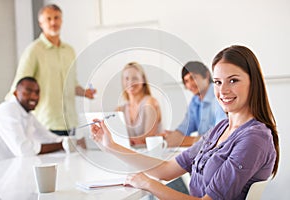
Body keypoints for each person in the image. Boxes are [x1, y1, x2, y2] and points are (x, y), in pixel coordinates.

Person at [90, 45, 280, 199]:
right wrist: (111, 146)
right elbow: (166, 170)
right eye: (219, 82)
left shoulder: (254, 139)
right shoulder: (220, 129)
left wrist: (147, 184)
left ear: (253, 82)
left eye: (233, 80)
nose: (223, 91)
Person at [6, 4, 96, 136]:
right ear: (41, 23)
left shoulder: (69, 51)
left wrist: (84, 92)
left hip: (70, 123)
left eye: (56, 18)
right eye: (48, 19)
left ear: (61, 20)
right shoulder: (33, 50)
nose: (53, 22)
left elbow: (72, 84)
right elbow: (20, 85)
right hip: (45, 124)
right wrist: (10, 116)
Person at [0, 77, 77, 162]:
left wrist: (72, 141)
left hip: (11, 168)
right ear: (16, 93)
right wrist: (61, 145)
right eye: (28, 91)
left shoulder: (28, 115)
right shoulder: (7, 109)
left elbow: (48, 136)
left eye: (37, 92)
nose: (34, 96)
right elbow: (24, 150)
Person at [162, 61, 226, 147]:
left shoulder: (219, 97)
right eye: (186, 81)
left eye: (193, 78)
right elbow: (184, 128)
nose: (190, 84)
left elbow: (221, 135)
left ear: (206, 75)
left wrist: (183, 140)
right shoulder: (195, 101)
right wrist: (169, 137)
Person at [116, 62, 162, 146]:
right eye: (126, 78)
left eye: (135, 78)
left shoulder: (150, 103)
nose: (130, 82)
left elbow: (148, 138)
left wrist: (123, 141)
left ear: (143, 80)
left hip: (151, 155)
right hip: (130, 156)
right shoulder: (120, 110)